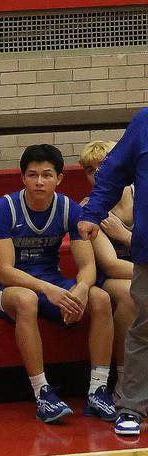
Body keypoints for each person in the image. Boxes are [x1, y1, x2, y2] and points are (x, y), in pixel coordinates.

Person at [0, 144, 113, 425]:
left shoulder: (69, 207)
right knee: (26, 299)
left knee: (101, 298)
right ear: (22, 178)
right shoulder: (4, 208)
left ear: (59, 178)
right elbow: (6, 272)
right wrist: (48, 289)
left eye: (46, 175)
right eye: (32, 175)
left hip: (52, 281)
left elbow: (88, 266)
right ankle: (42, 392)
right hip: (6, 289)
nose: (39, 182)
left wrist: (80, 290)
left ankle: (98, 389)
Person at [79, 112, 148, 439]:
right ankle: (131, 406)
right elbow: (112, 171)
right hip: (147, 253)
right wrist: (93, 212)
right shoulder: (144, 122)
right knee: (144, 328)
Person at [80, 141, 135, 404]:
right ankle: (124, 381)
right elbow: (110, 264)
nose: (98, 174)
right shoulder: (92, 208)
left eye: (103, 166)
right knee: (129, 292)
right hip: (108, 279)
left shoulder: (141, 197)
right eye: (91, 170)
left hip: (139, 270)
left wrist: (124, 235)